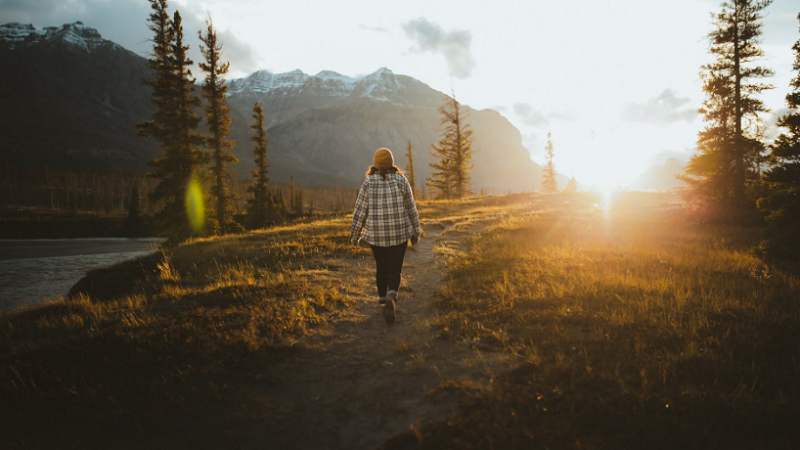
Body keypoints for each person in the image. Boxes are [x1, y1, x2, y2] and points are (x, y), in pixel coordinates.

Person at [350, 148, 421, 324]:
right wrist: (415, 232)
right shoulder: (401, 180)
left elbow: (360, 212)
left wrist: (355, 235)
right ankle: (392, 296)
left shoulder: (368, 183)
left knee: (381, 268)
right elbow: (411, 208)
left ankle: (383, 303)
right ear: (391, 162)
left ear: (375, 164)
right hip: (399, 232)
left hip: (376, 235)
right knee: (395, 269)